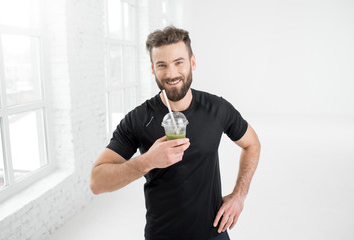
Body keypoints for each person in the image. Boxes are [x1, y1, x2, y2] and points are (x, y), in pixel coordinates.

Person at [90, 26, 261, 240]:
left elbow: (252, 144)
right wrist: (147, 161)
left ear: (193, 62)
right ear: (153, 68)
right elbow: (97, 182)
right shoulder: (138, 119)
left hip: (214, 233)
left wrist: (239, 195)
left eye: (179, 62)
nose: (171, 74)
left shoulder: (217, 109)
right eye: (162, 65)